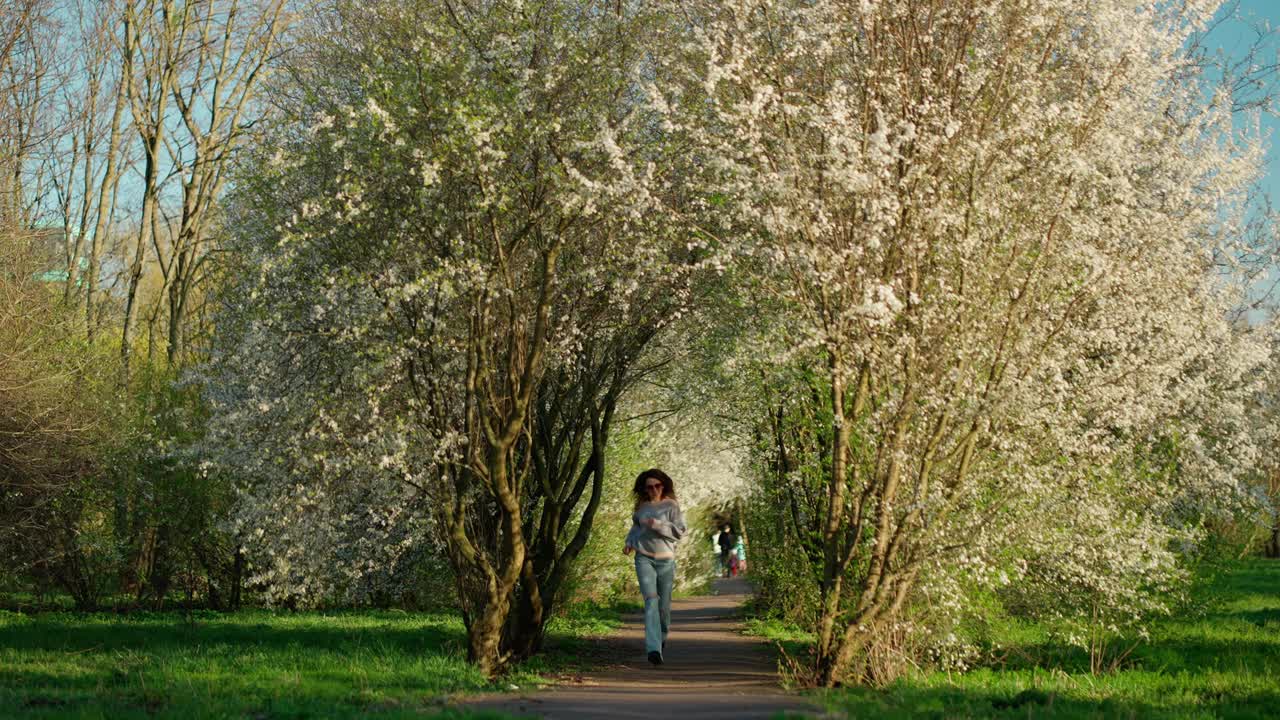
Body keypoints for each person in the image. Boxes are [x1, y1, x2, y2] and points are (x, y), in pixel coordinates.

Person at [623, 468, 687, 666]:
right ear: (644, 489)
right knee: (650, 600)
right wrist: (629, 542)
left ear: (663, 485)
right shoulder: (641, 507)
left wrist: (657, 524)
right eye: (649, 487)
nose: (654, 490)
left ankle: (661, 638)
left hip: (666, 560)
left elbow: (679, 531)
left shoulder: (671, 506)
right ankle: (653, 649)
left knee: (663, 608)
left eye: (657, 486)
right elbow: (636, 529)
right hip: (644, 558)